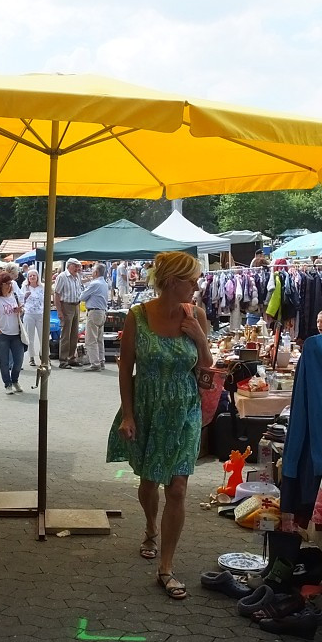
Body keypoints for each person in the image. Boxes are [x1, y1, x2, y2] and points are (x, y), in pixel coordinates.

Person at [106, 252, 212, 601]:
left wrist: (199, 336)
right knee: (149, 481)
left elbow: (208, 368)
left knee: (178, 488)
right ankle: (151, 526)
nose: (197, 287)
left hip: (185, 409)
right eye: (191, 280)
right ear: (171, 281)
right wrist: (128, 414)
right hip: (148, 406)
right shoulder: (138, 315)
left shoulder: (195, 315)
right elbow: (125, 368)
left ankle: (166, 568)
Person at [0, 271, 25, 394]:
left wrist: (20, 310)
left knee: (19, 360)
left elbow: (21, 310)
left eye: (10, 283)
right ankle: (7, 384)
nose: (9, 285)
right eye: (6, 283)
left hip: (16, 334)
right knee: (4, 361)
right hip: (2, 335)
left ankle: (15, 380)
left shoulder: (14, 296)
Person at [53, 258, 84, 368]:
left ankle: (72, 357)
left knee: (75, 333)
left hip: (76, 305)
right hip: (66, 305)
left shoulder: (77, 276)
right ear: (69, 266)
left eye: (78, 266)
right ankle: (63, 360)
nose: (77, 268)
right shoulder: (62, 277)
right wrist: (59, 311)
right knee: (66, 334)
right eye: (75, 266)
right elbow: (56, 294)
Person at [81, 263, 110, 371]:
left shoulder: (95, 284)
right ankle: (101, 360)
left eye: (93, 270)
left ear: (96, 272)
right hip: (102, 312)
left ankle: (95, 363)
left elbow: (82, 297)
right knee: (99, 339)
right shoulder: (104, 283)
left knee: (91, 339)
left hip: (94, 312)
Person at [21, 269, 45, 367]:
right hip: (29, 313)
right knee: (30, 337)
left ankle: (44, 355)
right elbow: (20, 299)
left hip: (40, 314)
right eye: (30, 276)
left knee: (43, 337)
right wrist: (25, 296)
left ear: (37, 277)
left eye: (34, 275)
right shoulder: (25, 287)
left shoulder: (42, 287)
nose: (32, 277)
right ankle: (31, 357)